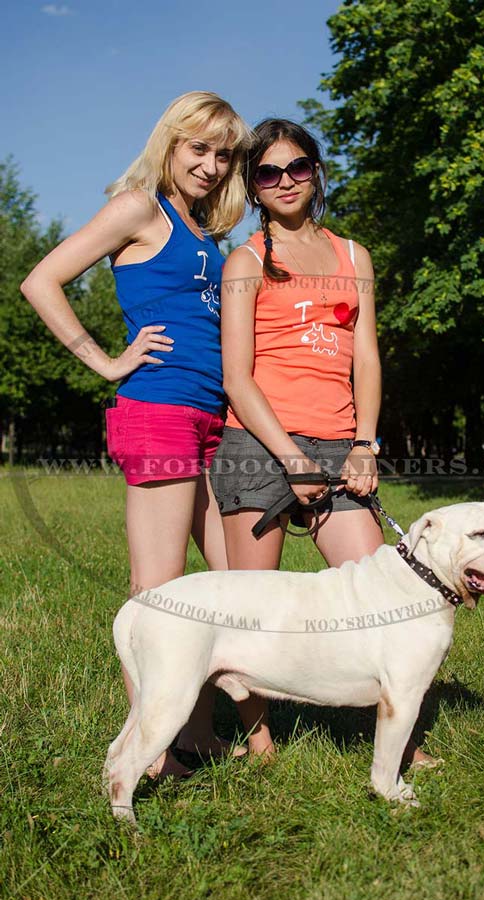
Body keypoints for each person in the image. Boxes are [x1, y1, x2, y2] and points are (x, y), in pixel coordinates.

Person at [21, 91, 253, 777]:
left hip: (209, 414)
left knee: (229, 586)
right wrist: (105, 361)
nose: (210, 165)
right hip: (158, 408)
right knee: (161, 591)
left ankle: (200, 733)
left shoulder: (205, 230)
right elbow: (42, 281)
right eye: (198, 148)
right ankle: (153, 754)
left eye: (223, 154)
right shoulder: (138, 209)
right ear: (170, 144)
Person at [211, 119, 434, 766]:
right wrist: (291, 459)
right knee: (253, 610)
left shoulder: (352, 255)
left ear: (316, 172)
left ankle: (398, 738)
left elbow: (366, 357)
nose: (285, 181)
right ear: (253, 185)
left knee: (376, 600)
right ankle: (258, 740)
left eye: (297, 167)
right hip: (257, 443)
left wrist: (365, 443)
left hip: (340, 441)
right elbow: (236, 378)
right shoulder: (246, 260)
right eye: (268, 172)